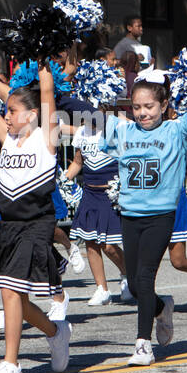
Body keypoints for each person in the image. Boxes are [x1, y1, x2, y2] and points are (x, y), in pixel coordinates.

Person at [0, 60, 72, 373]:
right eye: (6, 111)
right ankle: (56, 332)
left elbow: (48, 90)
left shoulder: (45, 137)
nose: (6, 116)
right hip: (7, 226)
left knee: (10, 291)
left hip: (36, 223)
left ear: (33, 115)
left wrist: (41, 57)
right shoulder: (6, 138)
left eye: (12, 110)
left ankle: (11, 364)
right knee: (19, 302)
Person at [102, 71, 187, 365]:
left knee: (144, 276)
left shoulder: (176, 131)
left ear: (164, 104)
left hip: (160, 216)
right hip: (129, 215)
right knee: (136, 283)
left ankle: (143, 344)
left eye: (149, 107)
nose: (142, 113)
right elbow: (82, 114)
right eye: (137, 107)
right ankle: (161, 307)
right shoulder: (124, 131)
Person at [64, 114, 129, 305]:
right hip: (90, 193)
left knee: (108, 245)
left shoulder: (115, 129)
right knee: (90, 241)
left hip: (111, 194)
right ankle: (102, 289)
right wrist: (64, 180)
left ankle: (128, 276)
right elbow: (78, 162)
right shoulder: (81, 133)